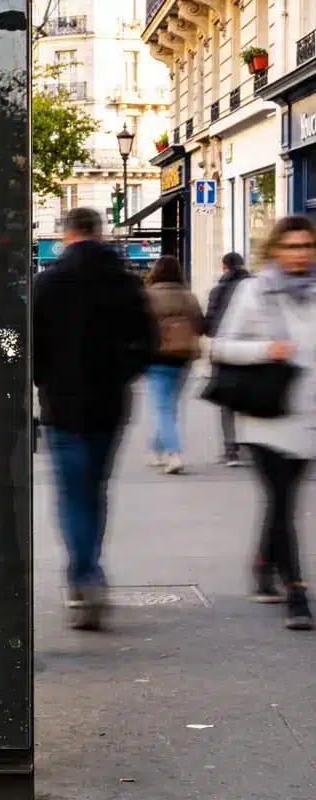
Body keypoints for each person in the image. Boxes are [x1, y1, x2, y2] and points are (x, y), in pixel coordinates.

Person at [33, 207, 155, 630]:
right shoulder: (126, 284)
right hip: (109, 406)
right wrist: (121, 374)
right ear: (98, 234)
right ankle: (91, 570)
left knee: (71, 494)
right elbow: (149, 344)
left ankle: (82, 576)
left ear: (65, 236)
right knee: (96, 491)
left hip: (62, 407)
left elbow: (28, 347)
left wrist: (43, 379)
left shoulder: (45, 284)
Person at [210, 216, 316, 631]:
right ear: (274, 250)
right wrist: (266, 349)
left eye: (306, 246)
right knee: (285, 501)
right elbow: (221, 347)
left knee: (283, 502)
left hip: (307, 416)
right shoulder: (255, 292)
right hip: (266, 417)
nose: (300, 254)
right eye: (291, 246)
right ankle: (297, 593)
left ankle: (262, 563)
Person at [144, 256, 203, 474]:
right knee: (170, 407)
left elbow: (140, 327)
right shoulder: (189, 297)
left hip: (157, 358)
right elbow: (200, 325)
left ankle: (173, 453)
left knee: (161, 407)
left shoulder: (148, 296)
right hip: (183, 358)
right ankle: (156, 448)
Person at [204, 252, 250, 466]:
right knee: (251, 398)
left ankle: (231, 450)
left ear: (224, 268)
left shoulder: (218, 290)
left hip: (226, 351)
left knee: (228, 402)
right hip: (252, 350)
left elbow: (210, 325)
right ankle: (251, 445)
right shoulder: (256, 289)